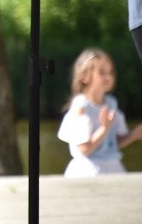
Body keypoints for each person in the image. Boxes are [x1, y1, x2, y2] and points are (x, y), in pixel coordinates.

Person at [57, 48, 142, 177]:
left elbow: (111, 144)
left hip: (112, 167)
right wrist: (104, 128)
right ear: (84, 77)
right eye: (102, 72)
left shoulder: (111, 103)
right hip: (89, 170)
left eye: (111, 72)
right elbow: (84, 150)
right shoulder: (81, 107)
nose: (108, 77)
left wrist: (134, 135)